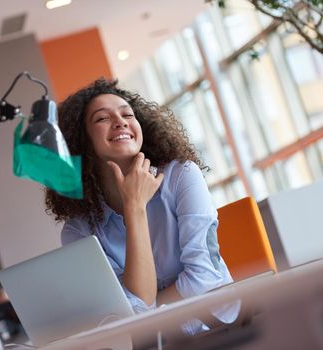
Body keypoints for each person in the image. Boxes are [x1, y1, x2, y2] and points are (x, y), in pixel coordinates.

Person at [45, 78, 238, 334]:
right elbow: (130, 311)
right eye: (102, 118)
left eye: (127, 114)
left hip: (221, 329)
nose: (121, 121)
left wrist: (146, 312)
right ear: (81, 141)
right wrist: (134, 206)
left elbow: (204, 279)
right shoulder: (79, 231)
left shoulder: (181, 176)